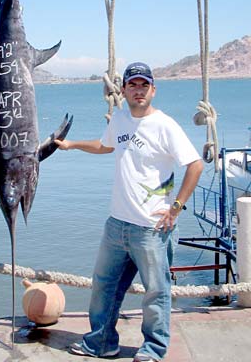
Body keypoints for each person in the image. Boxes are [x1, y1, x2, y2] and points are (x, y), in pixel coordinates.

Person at [55, 62, 203, 362]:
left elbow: (195, 164)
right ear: (123, 89)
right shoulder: (121, 118)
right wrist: (72, 144)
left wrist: (176, 207)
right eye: (133, 85)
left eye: (144, 85)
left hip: (151, 228)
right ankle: (101, 343)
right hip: (116, 224)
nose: (138, 91)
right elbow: (105, 145)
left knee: (155, 293)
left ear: (153, 90)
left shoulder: (165, 125)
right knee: (103, 287)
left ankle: (153, 350)